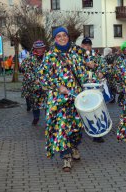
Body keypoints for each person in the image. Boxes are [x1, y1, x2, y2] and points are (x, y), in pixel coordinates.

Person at [38, 27, 90, 172]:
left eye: (64, 35)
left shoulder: (76, 52)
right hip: (58, 101)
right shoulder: (50, 56)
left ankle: (74, 147)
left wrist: (91, 69)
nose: (62, 38)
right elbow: (42, 76)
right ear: (55, 39)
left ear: (68, 37)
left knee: (76, 128)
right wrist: (57, 86)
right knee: (61, 129)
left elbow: (84, 72)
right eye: (58, 36)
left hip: (77, 99)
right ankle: (66, 157)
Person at [81, 37, 107, 143]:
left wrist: (101, 72)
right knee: (83, 108)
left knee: (96, 109)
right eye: (84, 45)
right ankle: (83, 128)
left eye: (88, 45)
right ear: (81, 46)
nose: (86, 47)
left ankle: (97, 133)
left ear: (91, 46)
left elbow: (105, 67)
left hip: (95, 87)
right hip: (82, 86)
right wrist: (84, 64)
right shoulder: (78, 57)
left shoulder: (97, 56)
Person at [20, 40, 47, 125]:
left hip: (46, 85)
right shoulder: (29, 59)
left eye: (41, 48)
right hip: (34, 86)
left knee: (48, 103)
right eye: (38, 48)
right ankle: (36, 117)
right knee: (35, 103)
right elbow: (26, 72)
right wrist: (34, 79)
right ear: (34, 49)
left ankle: (49, 120)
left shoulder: (48, 58)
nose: (40, 50)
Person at [113, 41, 126, 106]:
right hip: (122, 78)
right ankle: (121, 100)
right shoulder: (119, 58)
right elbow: (116, 68)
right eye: (125, 48)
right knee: (122, 92)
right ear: (123, 49)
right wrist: (120, 74)